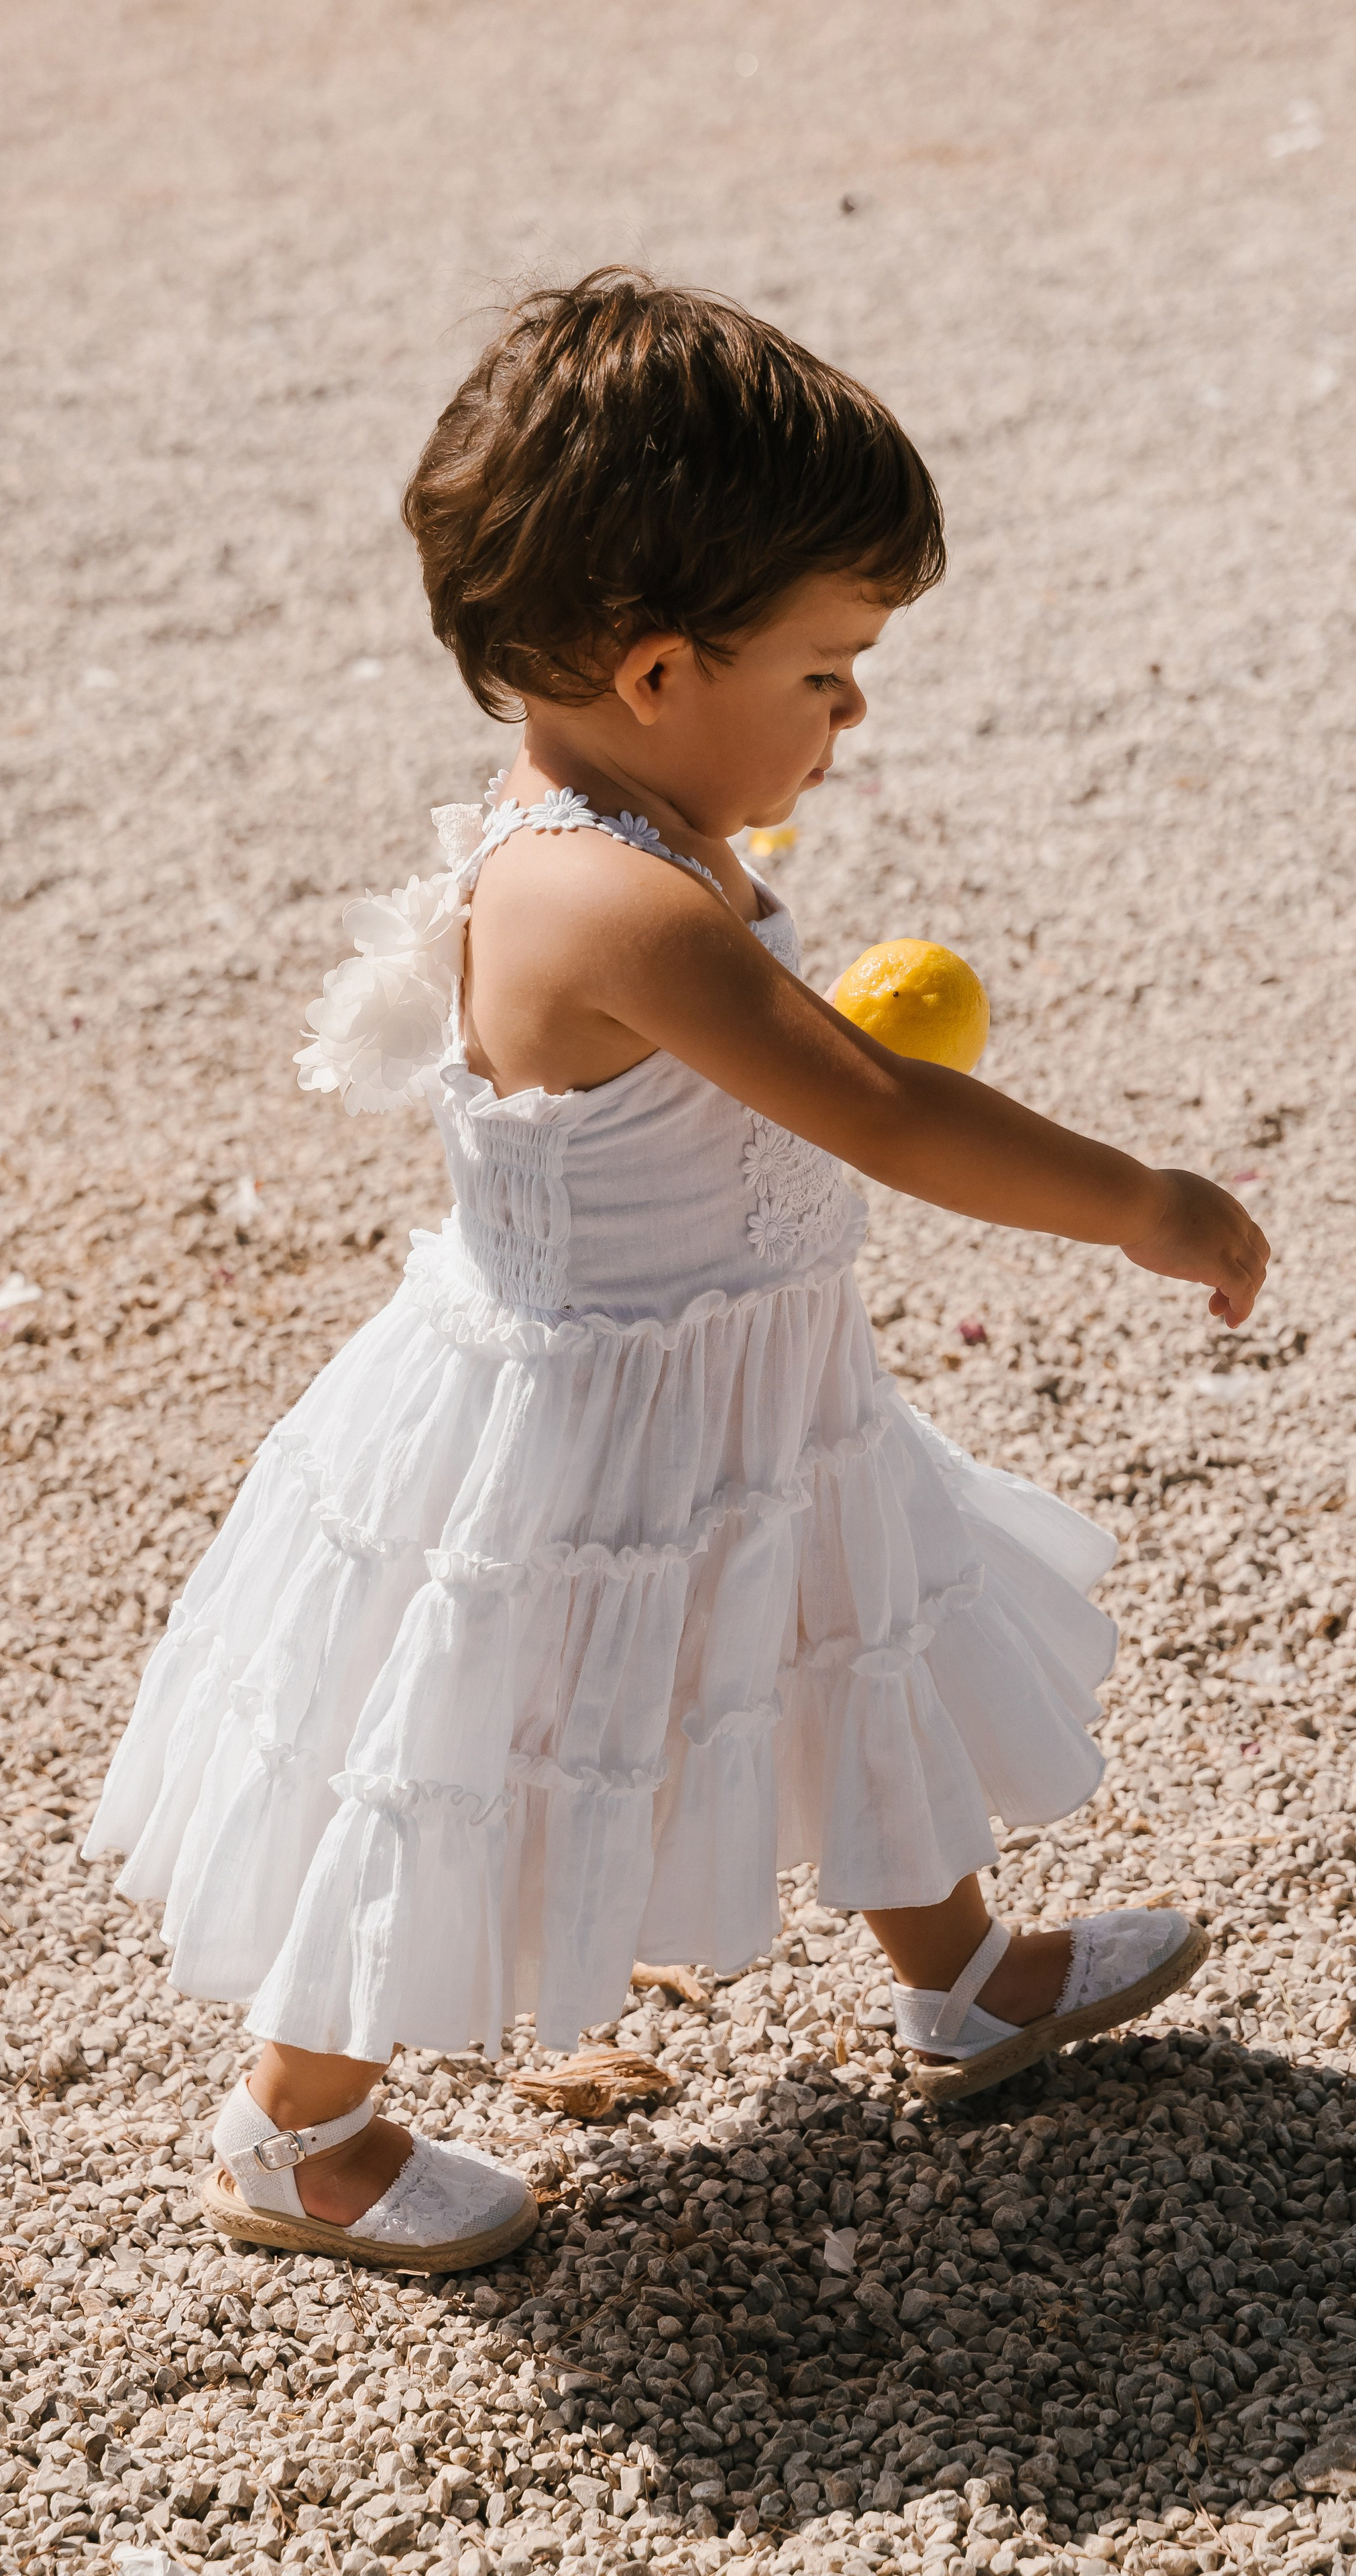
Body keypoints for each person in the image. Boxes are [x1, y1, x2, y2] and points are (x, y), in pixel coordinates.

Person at [84, 268, 1267, 2269]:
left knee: (845, 1625)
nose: (854, 709)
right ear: (655, 673)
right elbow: (880, 1111)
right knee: (482, 1748)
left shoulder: (632, 817)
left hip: (746, 1379)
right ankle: (298, 2129)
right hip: (586, 1444)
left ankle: (964, 1974)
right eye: (826, 669)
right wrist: (1148, 1201)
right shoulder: (612, 899)